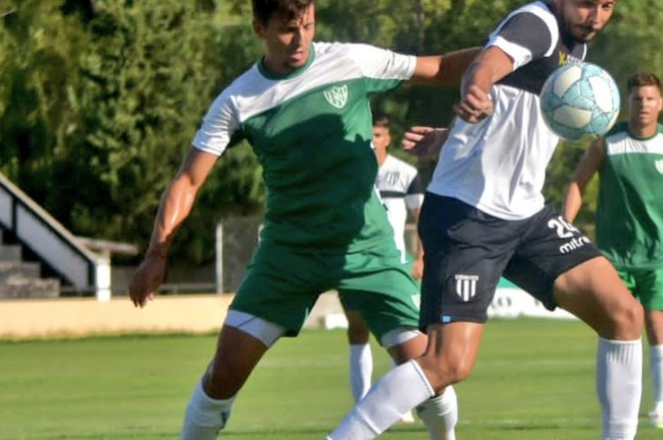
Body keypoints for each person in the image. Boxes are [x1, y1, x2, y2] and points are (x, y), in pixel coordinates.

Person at [126, 1, 478, 439]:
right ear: (259, 28)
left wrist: (510, 56)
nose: (300, 39)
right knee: (224, 374)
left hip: (367, 248)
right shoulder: (239, 99)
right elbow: (189, 180)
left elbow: (440, 66)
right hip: (287, 255)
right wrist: (157, 251)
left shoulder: (351, 61)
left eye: (308, 25)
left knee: (428, 370)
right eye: (287, 30)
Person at [328, 1, 647, 440]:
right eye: (587, 3)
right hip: (468, 215)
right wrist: (474, 90)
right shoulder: (537, 24)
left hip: (526, 214)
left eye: (607, 5)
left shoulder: (576, 48)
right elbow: (486, 65)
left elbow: (515, 110)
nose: (595, 15)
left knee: (623, 313)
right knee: (447, 363)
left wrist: (454, 136)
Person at [563, 72, 663, 430]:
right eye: (636, 99)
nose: (643, 105)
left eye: (649, 99)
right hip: (614, 259)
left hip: (659, 255)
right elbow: (577, 183)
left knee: (659, 327)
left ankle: (660, 407)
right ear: (626, 103)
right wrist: (563, 228)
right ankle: (617, 412)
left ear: (660, 103)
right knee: (616, 330)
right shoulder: (606, 143)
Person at [342, 113, 426, 424]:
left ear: (387, 138)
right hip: (356, 263)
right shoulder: (350, 173)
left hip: (397, 264)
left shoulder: (404, 173)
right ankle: (362, 402)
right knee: (357, 330)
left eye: (378, 134)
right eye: (369, 135)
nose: (373, 140)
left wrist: (421, 258)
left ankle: (398, 402)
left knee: (407, 332)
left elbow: (422, 217)